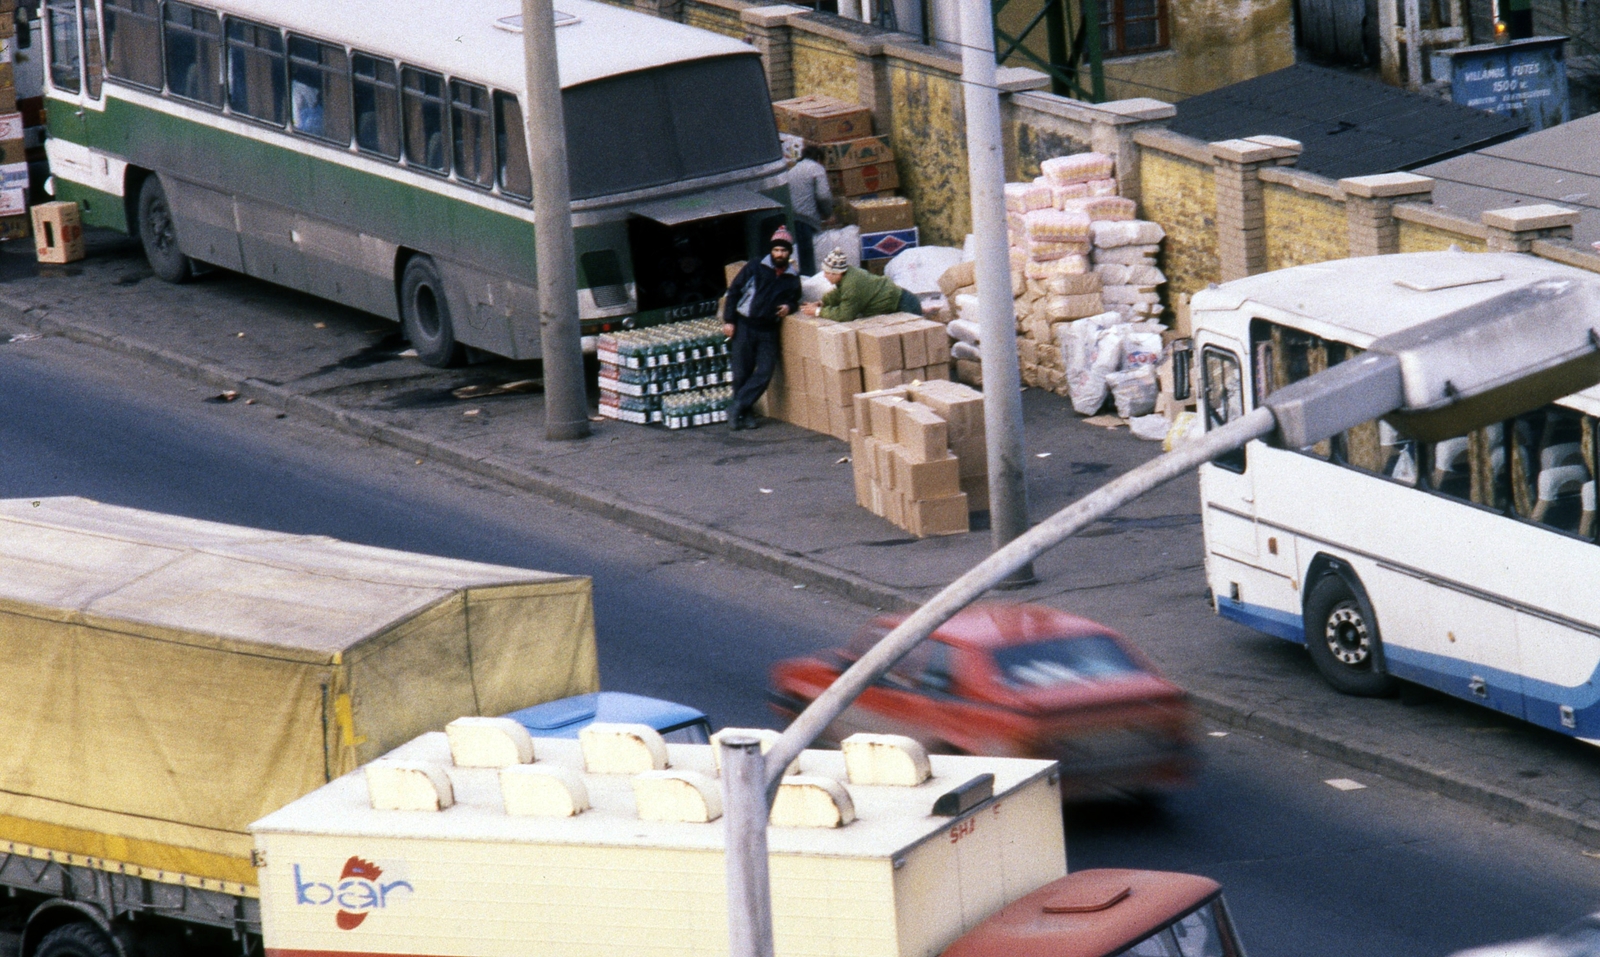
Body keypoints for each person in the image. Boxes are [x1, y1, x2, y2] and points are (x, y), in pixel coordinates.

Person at [723, 227, 802, 431]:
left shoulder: (792, 277)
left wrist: (789, 307)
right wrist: (729, 320)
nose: (779, 254)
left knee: (765, 372)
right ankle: (746, 413)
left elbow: (795, 299)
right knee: (741, 373)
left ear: (789, 253)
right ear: (771, 251)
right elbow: (733, 292)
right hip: (745, 326)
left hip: (768, 330)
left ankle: (737, 406)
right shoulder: (755, 267)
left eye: (783, 251)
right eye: (776, 250)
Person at [801, 247, 922, 322]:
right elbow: (838, 294)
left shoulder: (852, 284)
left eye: (827, 273)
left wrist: (818, 312)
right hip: (898, 302)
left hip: (905, 305)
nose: (824, 276)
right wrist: (822, 303)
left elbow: (845, 315)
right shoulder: (847, 275)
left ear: (837, 273)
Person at [785, 146, 834, 276]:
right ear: (818, 158)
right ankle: (812, 284)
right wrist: (828, 213)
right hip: (807, 218)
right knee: (808, 259)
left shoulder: (792, 170)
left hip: (793, 217)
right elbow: (824, 196)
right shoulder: (816, 168)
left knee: (799, 256)